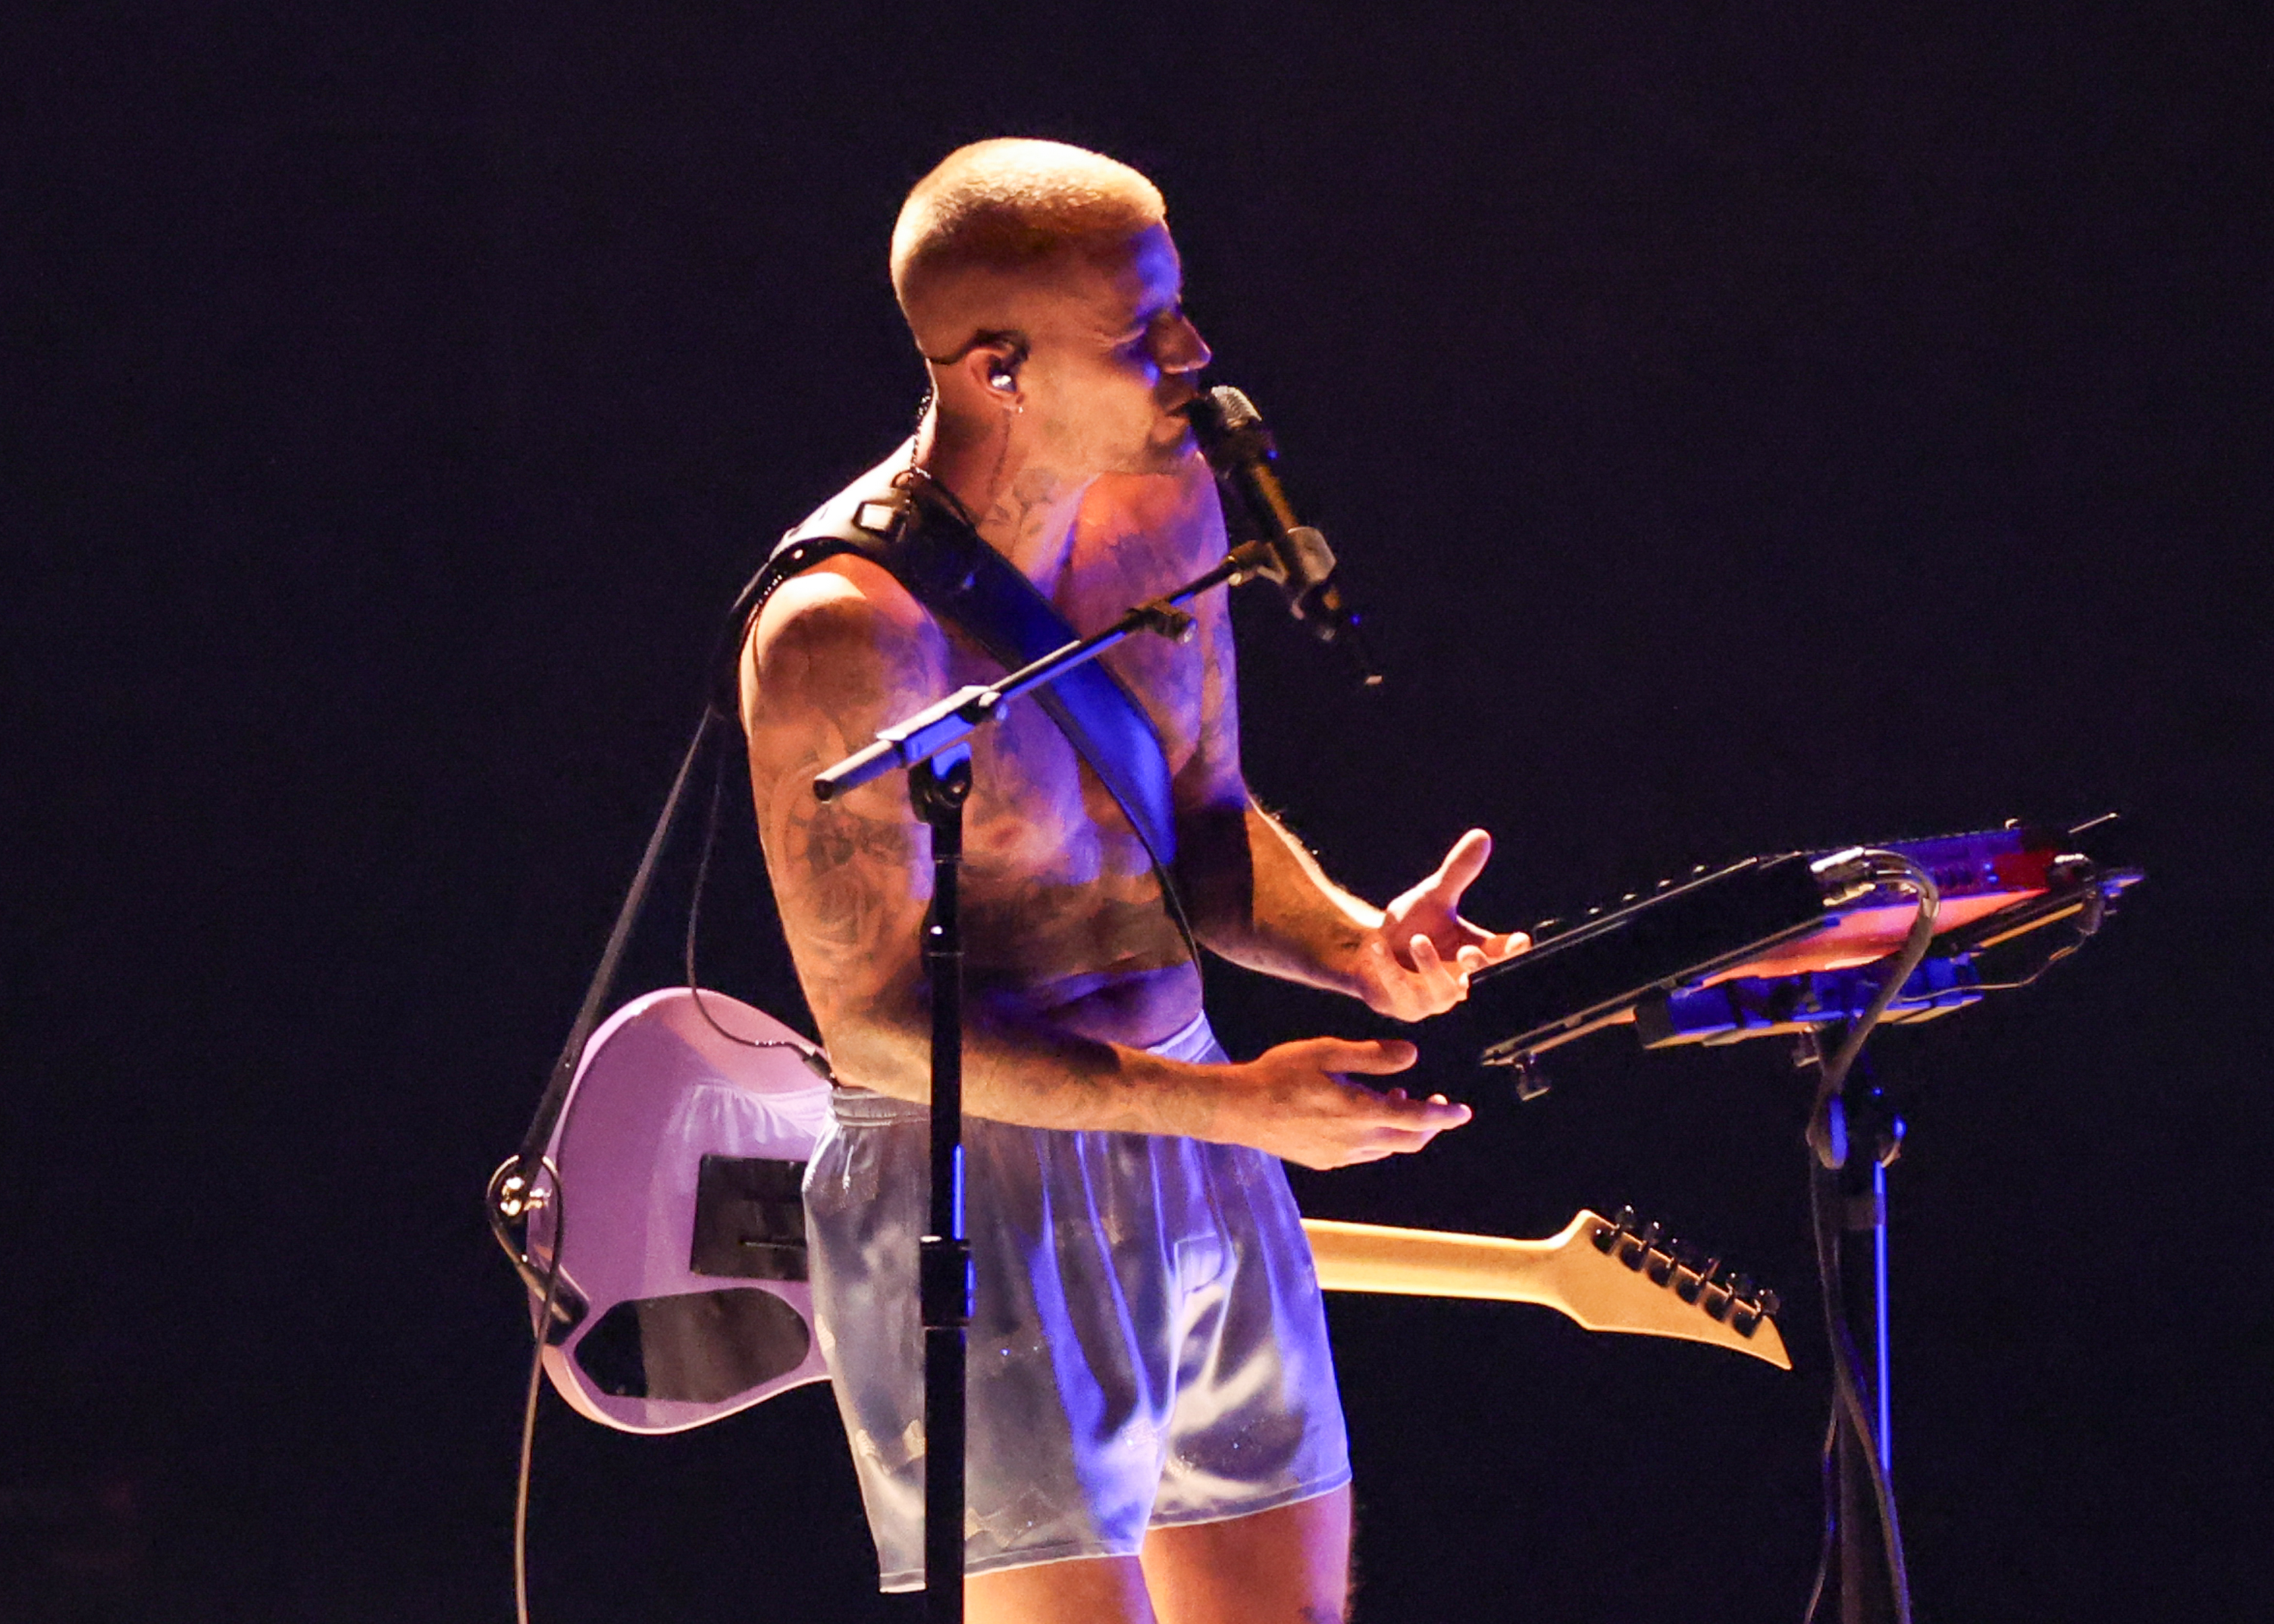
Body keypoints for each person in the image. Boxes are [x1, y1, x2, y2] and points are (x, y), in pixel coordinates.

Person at [738, 139, 1526, 1624]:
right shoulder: (846, 633)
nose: (1193, 353)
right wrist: (1236, 1107)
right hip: (978, 1189)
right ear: (998, 369)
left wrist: (1356, 945)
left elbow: (1203, 829)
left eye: (1180, 305)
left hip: (1200, 1134)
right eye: (1140, 329)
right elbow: (878, 1032)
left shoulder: (1167, 512)